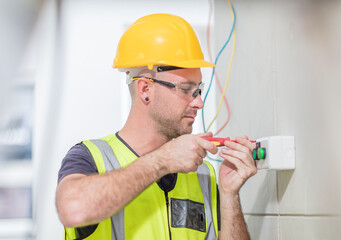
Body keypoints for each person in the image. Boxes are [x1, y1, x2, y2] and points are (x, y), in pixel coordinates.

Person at [56, 13, 257, 240]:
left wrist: (230, 195)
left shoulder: (203, 173)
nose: (199, 102)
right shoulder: (92, 158)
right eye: (186, 89)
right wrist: (163, 160)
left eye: (198, 89)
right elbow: (73, 208)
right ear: (145, 89)